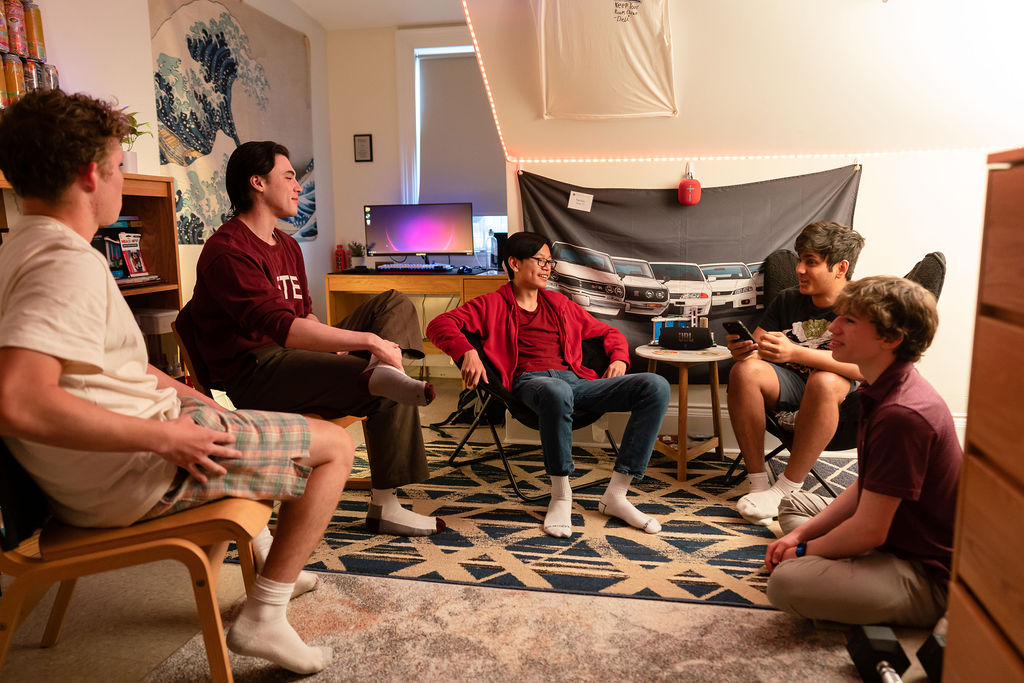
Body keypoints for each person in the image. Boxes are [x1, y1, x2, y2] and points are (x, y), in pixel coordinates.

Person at [0, 90, 348, 674]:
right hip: (136, 474)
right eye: (119, 166)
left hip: (124, 458)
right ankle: (265, 612)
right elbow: (19, 400)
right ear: (92, 173)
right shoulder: (65, 263)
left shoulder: (22, 247)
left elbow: (118, 367)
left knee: (250, 424)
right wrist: (167, 438)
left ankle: (255, 555)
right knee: (333, 446)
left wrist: (188, 397)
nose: (123, 178)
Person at [188, 141, 445, 537]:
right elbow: (284, 329)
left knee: (392, 303)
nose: (297, 186)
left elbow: (304, 314)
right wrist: (370, 343)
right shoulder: (228, 251)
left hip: (294, 354)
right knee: (383, 377)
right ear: (257, 182)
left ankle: (379, 373)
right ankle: (387, 504)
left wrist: (341, 343)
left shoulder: (288, 245)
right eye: (288, 176)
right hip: (257, 370)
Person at [426, 232, 671, 538]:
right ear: (514, 263)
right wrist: (468, 352)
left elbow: (608, 332)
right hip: (531, 384)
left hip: (576, 382)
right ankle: (561, 495)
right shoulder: (491, 304)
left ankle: (617, 495)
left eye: (549, 262)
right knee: (557, 391)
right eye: (540, 260)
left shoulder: (559, 304)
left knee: (655, 386)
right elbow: (438, 325)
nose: (547, 268)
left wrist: (619, 358)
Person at [764, 276, 960, 627]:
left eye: (849, 321)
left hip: (922, 571)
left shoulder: (904, 414)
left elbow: (871, 531)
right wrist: (799, 536)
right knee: (794, 505)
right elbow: (868, 485)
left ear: (891, 338)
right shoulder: (882, 386)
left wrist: (803, 551)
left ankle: (852, 572)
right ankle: (845, 565)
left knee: (785, 583)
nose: (833, 326)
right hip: (887, 533)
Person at [725, 221, 866, 525]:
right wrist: (746, 350)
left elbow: (867, 367)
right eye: (800, 259)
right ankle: (759, 485)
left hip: (844, 398)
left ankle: (787, 490)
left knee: (824, 380)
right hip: (789, 384)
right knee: (745, 370)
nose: (800, 269)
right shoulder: (789, 299)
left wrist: (798, 353)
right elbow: (758, 343)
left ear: (840, 267)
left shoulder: (862, 304)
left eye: (811, 262)